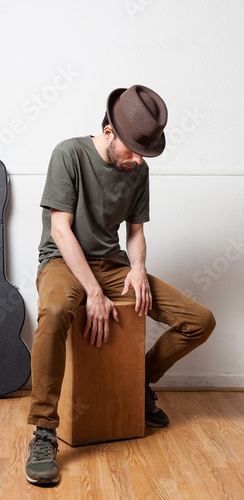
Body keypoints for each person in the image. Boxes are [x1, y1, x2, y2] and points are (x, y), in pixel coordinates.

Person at [25, 85, 216, 485]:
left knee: (200, 320)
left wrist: (138, 268)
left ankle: (138, 382)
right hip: (63, 260)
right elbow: (60, 231)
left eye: (144, 151)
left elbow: (135, 232)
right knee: (57, 311)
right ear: (109, 131)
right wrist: (92, 292)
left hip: (113, 265)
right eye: (131, 149)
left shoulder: (138, 170)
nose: (137, 159)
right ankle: (44, 431)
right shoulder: (69, 153)